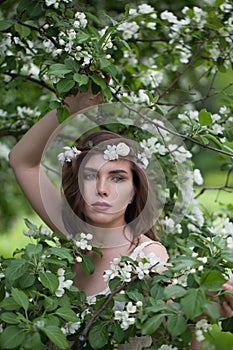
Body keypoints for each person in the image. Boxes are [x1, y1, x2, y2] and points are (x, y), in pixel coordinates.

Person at [9, 89, 233, 349]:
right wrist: (70, 108)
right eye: (90, 175)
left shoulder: (146, 258)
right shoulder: (72, 239)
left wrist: (201, 306)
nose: (102, 188)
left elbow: (171, 315)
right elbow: (22, 161)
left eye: (117, 178)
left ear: (134, 191)